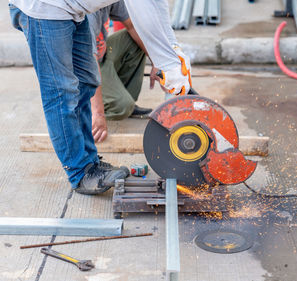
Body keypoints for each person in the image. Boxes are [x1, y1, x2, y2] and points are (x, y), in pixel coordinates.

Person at [9, 0, 192, 195]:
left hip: (73, 10)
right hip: (45, 8)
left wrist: (173, 52)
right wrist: (166, 60)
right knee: (61, 93)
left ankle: (90, 163)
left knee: (86, 81)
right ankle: (80, 173)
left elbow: (157, 7)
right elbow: (144, 12)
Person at [88, 1, 155, 143]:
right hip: (83, 66)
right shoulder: (88, 10)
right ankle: (88, 111)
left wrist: (157, 62)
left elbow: (131, 25)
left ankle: (122, 100)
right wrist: (98, 114)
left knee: (136, 38)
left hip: (102, 52)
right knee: (122, 107)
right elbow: (89, 60)